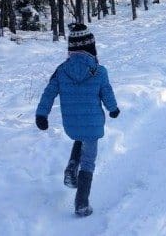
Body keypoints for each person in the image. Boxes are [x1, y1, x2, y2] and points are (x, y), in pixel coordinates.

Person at [35, 23, 120, 217]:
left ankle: (73, 163)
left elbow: (49, 93)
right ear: (91, 47)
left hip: (71, 124)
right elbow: (107, 93)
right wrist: (113, 109)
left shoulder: (61, 70)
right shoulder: (99, 71)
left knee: (80, 135)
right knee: (89, 160)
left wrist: (42, 114)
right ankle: (81, 203)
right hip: (93, 123)